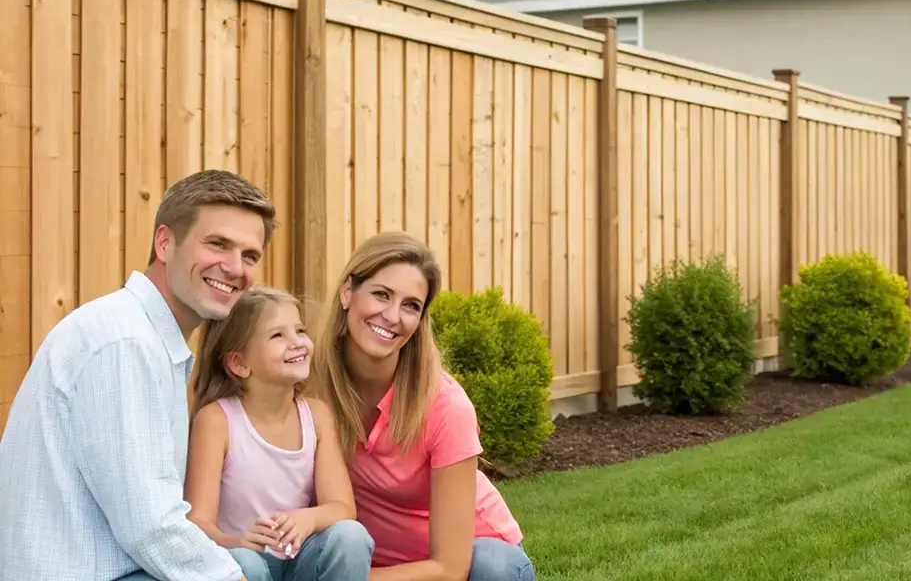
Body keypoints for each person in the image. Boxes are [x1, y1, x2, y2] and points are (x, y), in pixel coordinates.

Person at [0, 169, 277, 581]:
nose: (235, 267)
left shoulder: (143, 334)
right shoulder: (123, 341)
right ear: (165, 243)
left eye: (250, 255)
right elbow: (150, 524)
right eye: (218, 243)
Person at [310, 231, 536, 581]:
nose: (392, 315)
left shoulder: (445, 406)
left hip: (459, 564)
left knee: (496, 566)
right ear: (347, 292)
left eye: (410, 305)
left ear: (420, 321)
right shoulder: (310, 384)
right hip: (362, 557)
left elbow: (450, 568)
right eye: (381, 294)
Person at [183, 285, 375, 581]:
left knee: (351, 536)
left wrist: (307, 518)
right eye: (277, 335)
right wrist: (240, 542)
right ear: (240, 363)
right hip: (244, 565)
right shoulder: (217, 420)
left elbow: (343, 507)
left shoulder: (317, 416)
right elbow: (198, 522)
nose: (297, 342)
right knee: (247, 562)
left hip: (300, 562)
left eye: (299, 330)